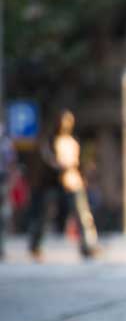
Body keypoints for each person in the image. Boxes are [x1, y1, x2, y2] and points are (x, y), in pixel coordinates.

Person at [29, 110, 99, 260]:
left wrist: (80, 174)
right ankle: (35, 245)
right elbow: (47, 159)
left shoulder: (72, 141)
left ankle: (88, 245)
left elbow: (79, 163)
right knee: (45, 215)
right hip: (52, 183)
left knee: (82, 214)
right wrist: (59, 166)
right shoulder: (49, 141)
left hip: (72, 182)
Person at [0, 121, 16, 260]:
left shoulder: (5, 142)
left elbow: (10, 163)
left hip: (2, 180)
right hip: (3, 180)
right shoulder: (6, 142)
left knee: (3, 215)